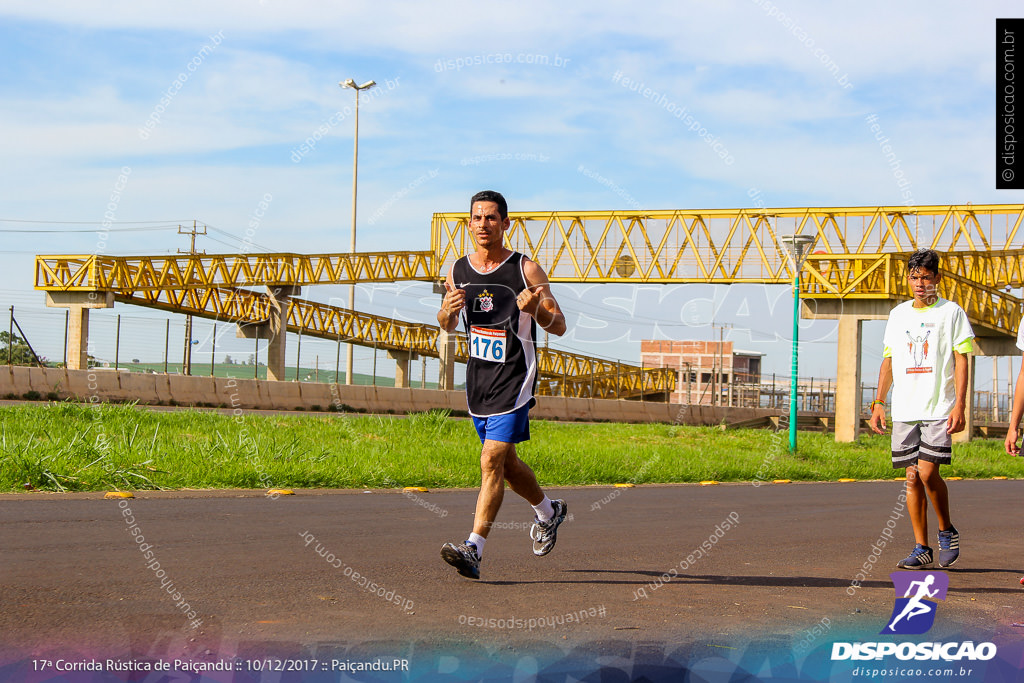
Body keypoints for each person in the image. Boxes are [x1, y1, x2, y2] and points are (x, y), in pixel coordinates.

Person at [436, 190, 569, 580]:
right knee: (506, 464)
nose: (483, 225)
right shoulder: (458, 270)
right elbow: (444, 322)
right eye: (476, 218)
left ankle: (473, 548)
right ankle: (549, 511)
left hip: (516, 377)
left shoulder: (525, 270)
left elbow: (558, 325)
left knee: (491, 459)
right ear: (469, 223)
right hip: (479, 380)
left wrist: (537, 310)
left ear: (505, 224)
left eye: (491, 218)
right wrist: (447, 311)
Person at [869, 248, 974, 569]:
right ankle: (921, 547)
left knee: (928, 472)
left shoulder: (951, 313)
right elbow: (888, 360)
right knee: (912, 478)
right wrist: (878, 402)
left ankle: (946, 530)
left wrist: (960, 404)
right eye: (914, 277)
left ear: (937, 278)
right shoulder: (898, 315)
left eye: (926, 277)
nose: (919, 283)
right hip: (904, 408)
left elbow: (962, 358)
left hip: (938, 408)